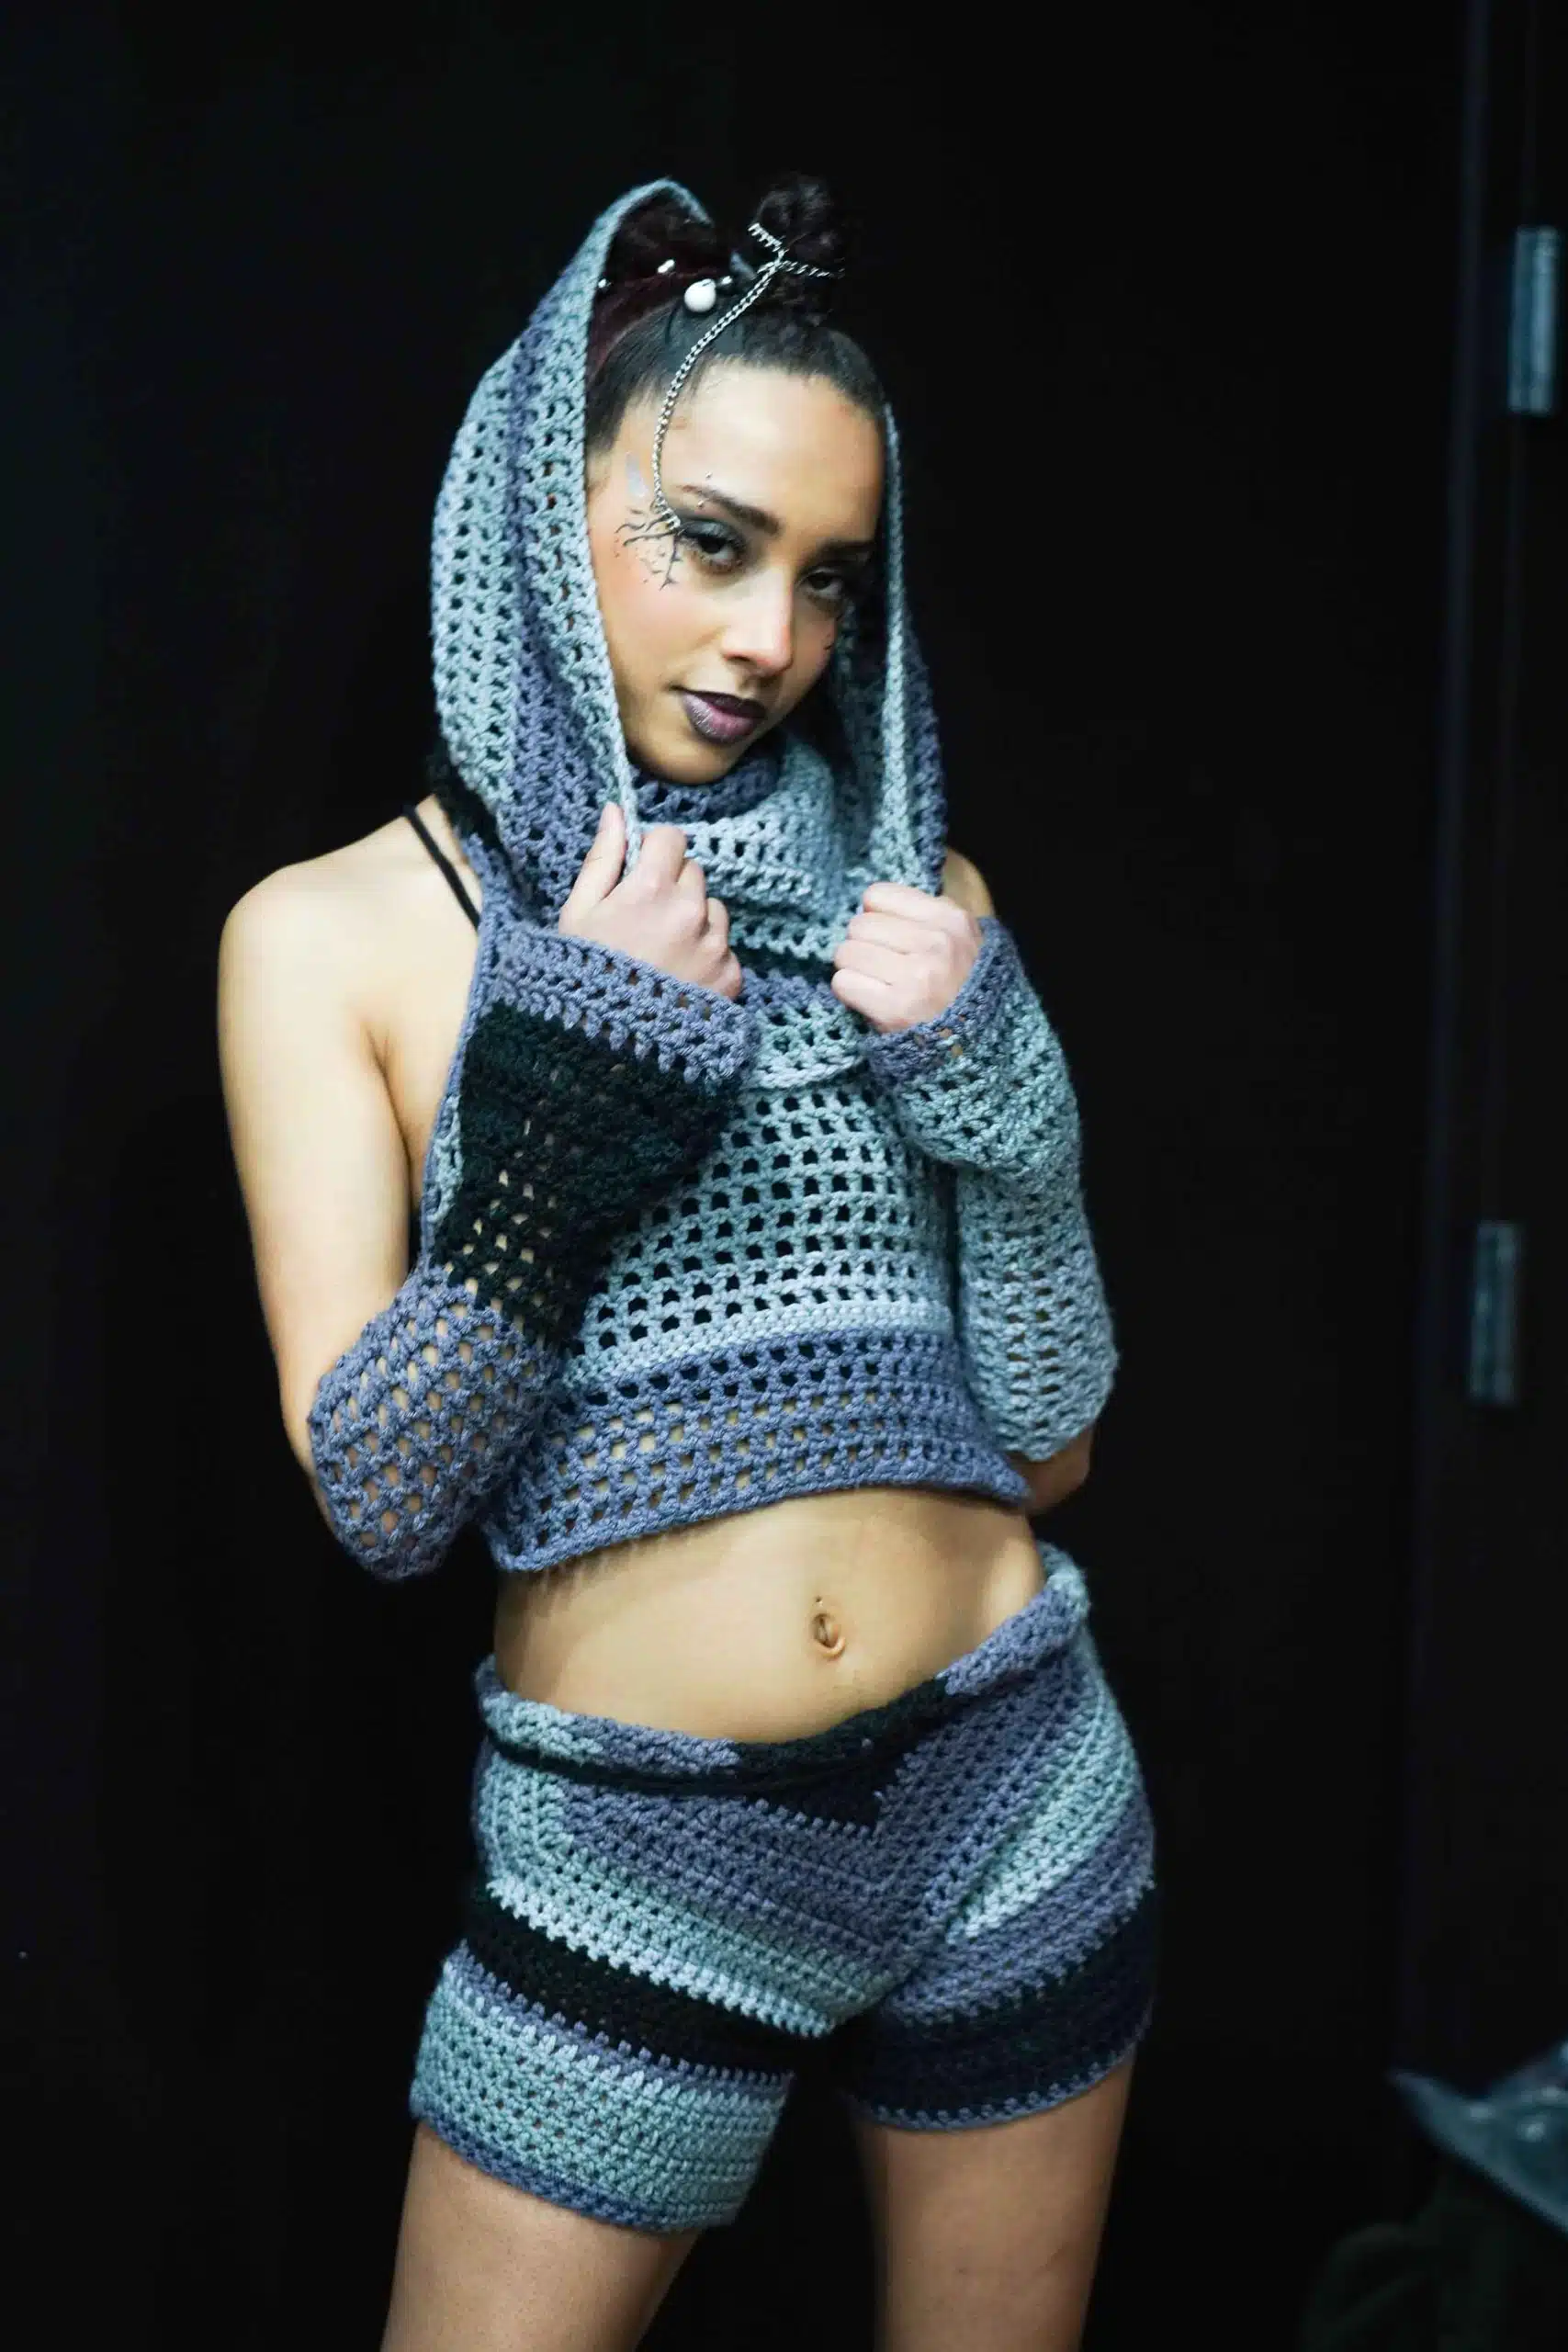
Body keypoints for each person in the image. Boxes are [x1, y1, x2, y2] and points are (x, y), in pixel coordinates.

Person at [218, 171, 1158, 2352]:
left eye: (828, 577)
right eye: (710, 543)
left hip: (1018, 1781)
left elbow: (1053, 1450)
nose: (769, 641)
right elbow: (384, 1494)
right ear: (540, 517)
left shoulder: (919, 902)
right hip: (640, 1854)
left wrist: (1014, 1123)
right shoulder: (341, 936)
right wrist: (563, 1113)